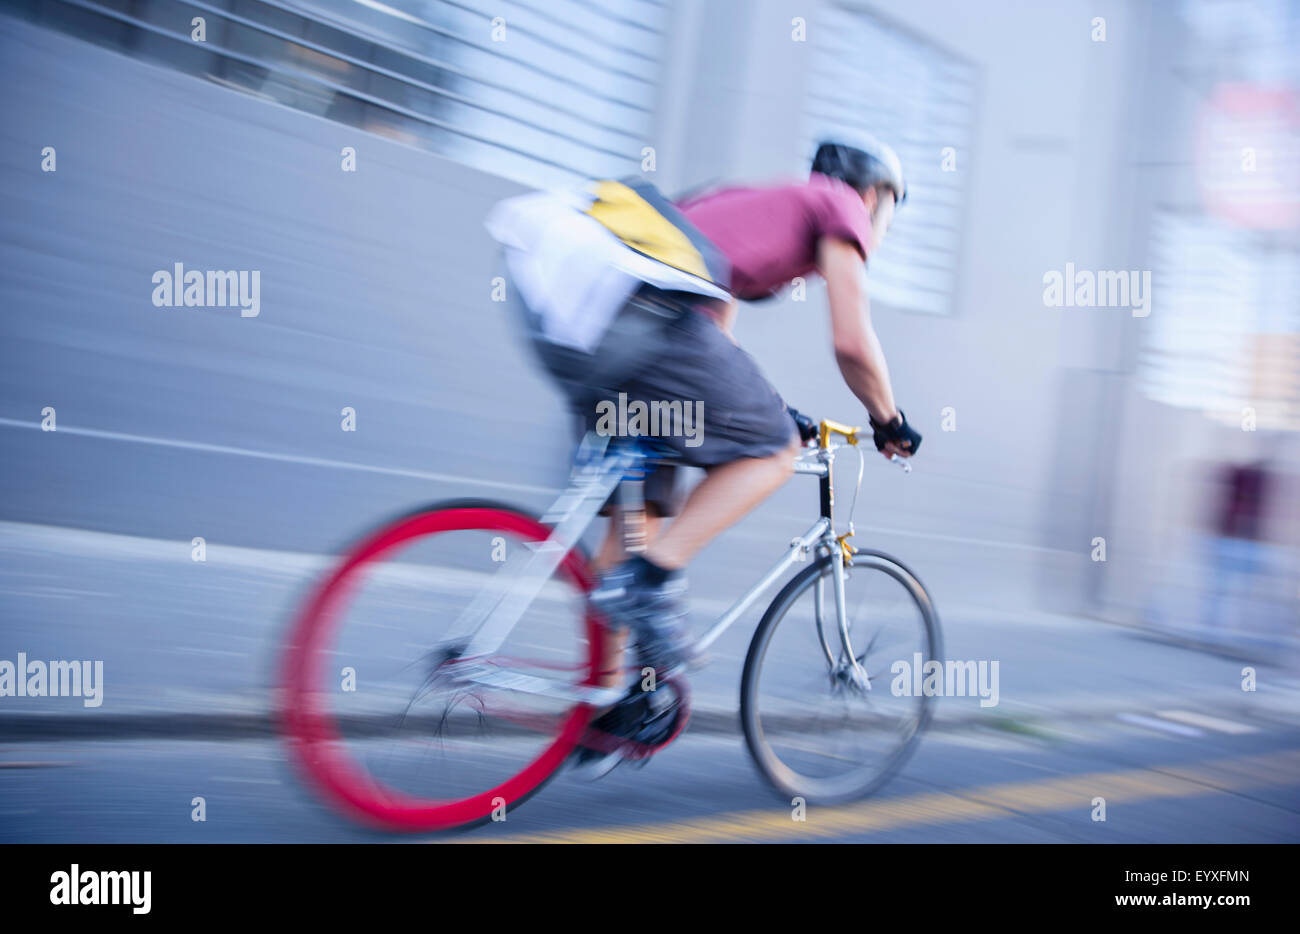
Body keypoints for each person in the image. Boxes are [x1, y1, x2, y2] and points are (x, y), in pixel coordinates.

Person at [487, 132, 922, 761]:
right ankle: (650, 585)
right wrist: (889, 420)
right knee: (770, 452)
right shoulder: (840, 205)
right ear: (875, 193)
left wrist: (781, 409)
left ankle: (607, 706)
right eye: (887, 206)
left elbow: (714, 345)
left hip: (592, 323)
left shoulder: (749, 199)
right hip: (646, 316)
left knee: (639, 524)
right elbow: (853, 342)